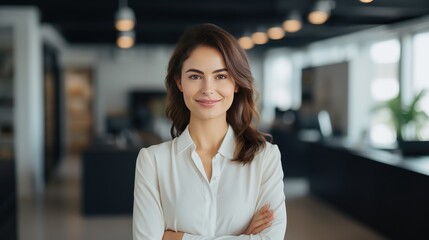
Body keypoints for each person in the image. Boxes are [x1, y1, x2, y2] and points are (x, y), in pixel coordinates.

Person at [133, 23, 287, 240]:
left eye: (221, 76)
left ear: (236, 83)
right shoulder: (152, 162)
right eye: (195, 76)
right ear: (180, 82)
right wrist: (242, 235)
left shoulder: (265, 158)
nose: (208, 89)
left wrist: (175, 237)